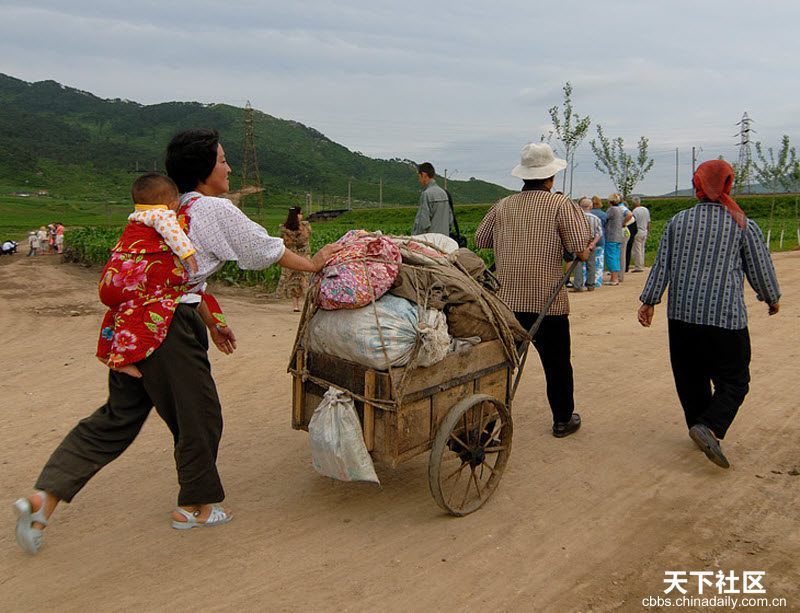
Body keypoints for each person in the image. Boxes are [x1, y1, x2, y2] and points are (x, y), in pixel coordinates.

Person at [13, 128, 342, 554]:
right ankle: (196, 507)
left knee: (117, 418)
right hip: (169, 329)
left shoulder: (165, 210)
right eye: (223, 160)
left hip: (132, 327)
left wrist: (211, 320)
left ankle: (44, 498)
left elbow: (185, 278)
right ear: (205, 170)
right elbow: (263, 249)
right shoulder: (211, 209)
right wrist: (314, 264)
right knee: (200, 415)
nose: (229, 167)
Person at [637, 160, 781, 469]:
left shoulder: (678, 222)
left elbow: (663, 264)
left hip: (682, 317)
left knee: (690, 376)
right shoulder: (742, 223)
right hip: (725, 318)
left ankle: (699, 425)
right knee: (735, 379)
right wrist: (771, 297)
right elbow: (760, 268)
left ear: (697, 184)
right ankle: (710, 427)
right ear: (728, 184)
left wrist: (649, 301)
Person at [476, 142, 591, 438]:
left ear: (524, 176)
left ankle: (488, 423)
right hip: (547, 303)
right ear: (551, 178)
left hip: (507, 303)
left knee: (501, 367)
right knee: (557, 365)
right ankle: (563, 420)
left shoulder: (502, 205)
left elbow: (481, 239)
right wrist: (583, 249)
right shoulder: (560, 204)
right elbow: (580, 249)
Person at [96, 173, 199, 380]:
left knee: (119, 313)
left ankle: (107, 352)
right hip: (130, 286)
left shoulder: (135, 217)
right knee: (143, 314)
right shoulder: (162, 215)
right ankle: (123, 358)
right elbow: (174, 233)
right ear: (172, 203)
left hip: (112, 280)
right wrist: (188, 255)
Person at [276, 207, 312, 311]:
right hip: (297, 256)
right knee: (294, 280)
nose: (301, 216)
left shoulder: (301, 226)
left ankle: (301, 304)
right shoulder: (288, 228)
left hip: (294, 256)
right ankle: (296, 305)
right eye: (300, 214)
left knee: (303, 279)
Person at [411, 162, 453, 236]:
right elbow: (450, 220)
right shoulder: (443, 193)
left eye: (419, 177)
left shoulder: (427, 194)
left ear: (424, 175)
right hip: (445, 239)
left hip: (430, 241)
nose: (419, 180)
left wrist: (414, 238)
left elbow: (423, 223)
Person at [571, 197, 602, 292]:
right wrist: (593, 243)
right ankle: (591, 285)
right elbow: (599, 233)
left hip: (579, 243)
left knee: (578, 264)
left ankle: (578, 285)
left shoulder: (576, 217)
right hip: (591, 242)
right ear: (590, 206)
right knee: (591, 264)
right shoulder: (595, 218)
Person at [604, 194, 632, 285]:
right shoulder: (620, 209)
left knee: (611, 257)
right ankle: (616, 276)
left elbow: (605, 219)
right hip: (618, 236)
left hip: (611, 236)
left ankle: (614, 278)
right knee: (616, 257)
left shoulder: (611, 210)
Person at [589, 195, 606, 287]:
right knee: (599, 261)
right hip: (600, 239)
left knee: (587, 262)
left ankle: (587, 279)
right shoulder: (603, 214)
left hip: (589, 240)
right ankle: (597, 280)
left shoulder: (587, 214)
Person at [630, 196, 650, 272]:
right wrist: (648, 231)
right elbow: (648, 222)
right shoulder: (646, 210)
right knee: (642, 249)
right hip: (645, 230)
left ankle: (638, 266)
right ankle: (642, 264)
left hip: (638, 231)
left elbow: (633, 222)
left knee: (637, 250)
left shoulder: (634, 211)